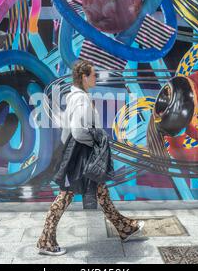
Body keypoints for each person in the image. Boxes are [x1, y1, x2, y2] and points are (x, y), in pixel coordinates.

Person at [36, 59, 145, 256]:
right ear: (84, 77)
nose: (96, 77)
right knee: (65, 196)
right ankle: (45, 240)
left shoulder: (77, 96)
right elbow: (78, 132)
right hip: (82, 154)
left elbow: (66, 132)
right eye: (93, 74)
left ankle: (125, 228)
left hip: (78, 153)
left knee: (101, 193)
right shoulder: (80, 99)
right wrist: (95, 142)